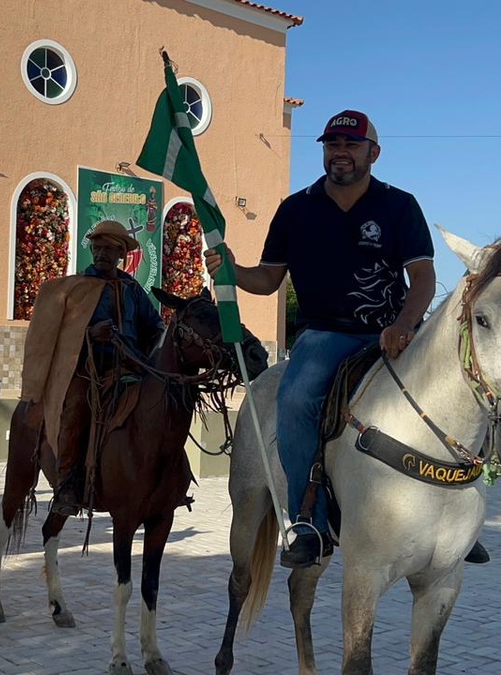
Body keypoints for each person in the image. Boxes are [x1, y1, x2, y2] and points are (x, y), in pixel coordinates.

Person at [206, 109, 438, 568]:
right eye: (333, 144)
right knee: (293, 401)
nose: (341, 153)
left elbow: (424, 278)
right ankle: (306, 517)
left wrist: (405, 326)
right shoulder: (296, 209)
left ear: (374, 152)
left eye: (351, 145)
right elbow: (269, 279)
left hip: (389, 333)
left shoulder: (399, 205)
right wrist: (233, 269)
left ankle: (457, 511)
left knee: (456, 382)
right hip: (325, 335)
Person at [49, 220, 164, 516]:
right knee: (76, 409)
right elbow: (59, 333)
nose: (101, 254)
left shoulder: (132, 288)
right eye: (97, 248)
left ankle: (165, 484)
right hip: (87, 371)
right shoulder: (77, 287)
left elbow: (154, 326)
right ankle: (66, 486)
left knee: (162, 406)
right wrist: (89, 334)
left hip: (130, 369)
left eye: (108, 249)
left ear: (121, 254)